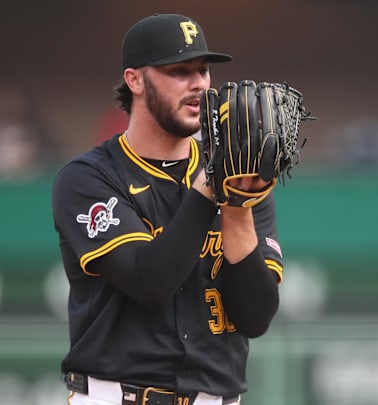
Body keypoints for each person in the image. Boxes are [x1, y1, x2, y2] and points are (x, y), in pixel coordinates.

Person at [51, 13, 284, 405]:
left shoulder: (239, 181)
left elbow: (256, 317)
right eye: (179, 70)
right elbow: (150, 281)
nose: (199, 83)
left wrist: (238, 207)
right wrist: (211, 187)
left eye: (203, 70)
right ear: (135, 80)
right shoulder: (88, 179)